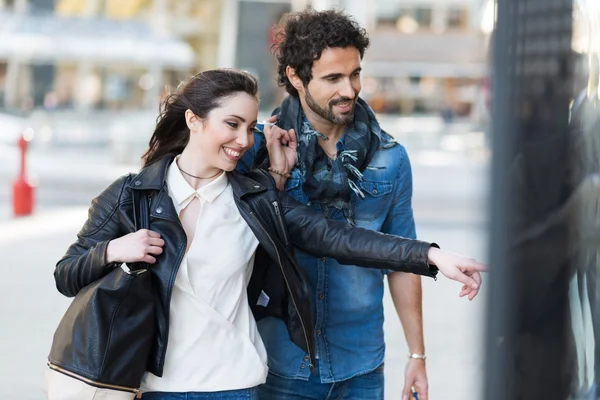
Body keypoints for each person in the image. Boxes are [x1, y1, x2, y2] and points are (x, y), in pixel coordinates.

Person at [52, 69, 485, 400]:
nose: (243, 140)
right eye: (232, 124)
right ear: (193, 120)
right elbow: (66, 274)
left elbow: (339, 238)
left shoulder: (255, 199)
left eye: (250, 127)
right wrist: (112, 250)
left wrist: (431, 256)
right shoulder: (131, 195)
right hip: (152, 385)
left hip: (236, 385)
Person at [236, 9, 483, 400]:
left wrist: (417, 353)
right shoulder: (258, 149)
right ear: (297, 79)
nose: (350, 90)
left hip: (362, 367)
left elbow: (401, 262)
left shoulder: (390, 158)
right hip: (278, 363)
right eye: (333, 78)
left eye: (354, 74)